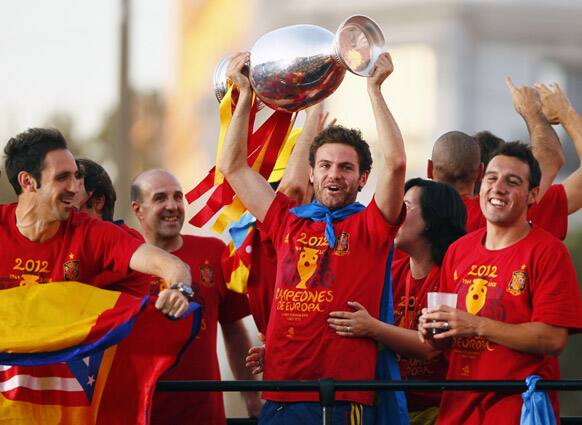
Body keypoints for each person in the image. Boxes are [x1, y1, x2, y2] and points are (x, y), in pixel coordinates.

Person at [219, 50, 406, 424]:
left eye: (345, 167)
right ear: (312, 172)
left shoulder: (372, 225)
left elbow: (397, 163)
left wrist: (375, 91)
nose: (334, 175)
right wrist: (244, 96)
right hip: (279, 396)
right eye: (325, 166)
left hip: (340, 401)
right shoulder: (287, 220)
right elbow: (233, 167)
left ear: (362, 178)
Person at [418, 142, 582, 424]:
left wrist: (475, 324)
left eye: (512, 181)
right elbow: (446, 338)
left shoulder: (548, 252)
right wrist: (431, 331)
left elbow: (553, 339)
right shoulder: (459, 250)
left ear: (533, 195)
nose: (498, 187)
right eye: (491, 178)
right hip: (457, 407)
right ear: (481, 186)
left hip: (516, 408)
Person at [0, 128, 190, 317]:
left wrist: (179, 289)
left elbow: (169, 264)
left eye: (75, 176)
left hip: (71, 347)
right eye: (62, 177)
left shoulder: (91, 232)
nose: (75, 188)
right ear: (27, 181)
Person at [326, 178, 466, 425]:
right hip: (388, 406)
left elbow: (429, 347)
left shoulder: (454, 277)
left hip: (438, 411)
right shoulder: (390, 272)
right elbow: (349, 321)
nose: (395, 214)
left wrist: (373, 328)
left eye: (406, 206)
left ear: (431, 222)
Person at [130, 168, 261, 425]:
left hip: (203, 415)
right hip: (139, 415)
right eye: (160, 198)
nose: (172, 206)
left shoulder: (213, 252)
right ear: (138, 209)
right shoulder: (121, 260)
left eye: (178, 197)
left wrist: (252, 398)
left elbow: (234, 331)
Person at [73, 158, 149, 296]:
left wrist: (72, 208)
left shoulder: (128, 241)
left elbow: (74, 291)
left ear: (98, 201)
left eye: (73, 195)